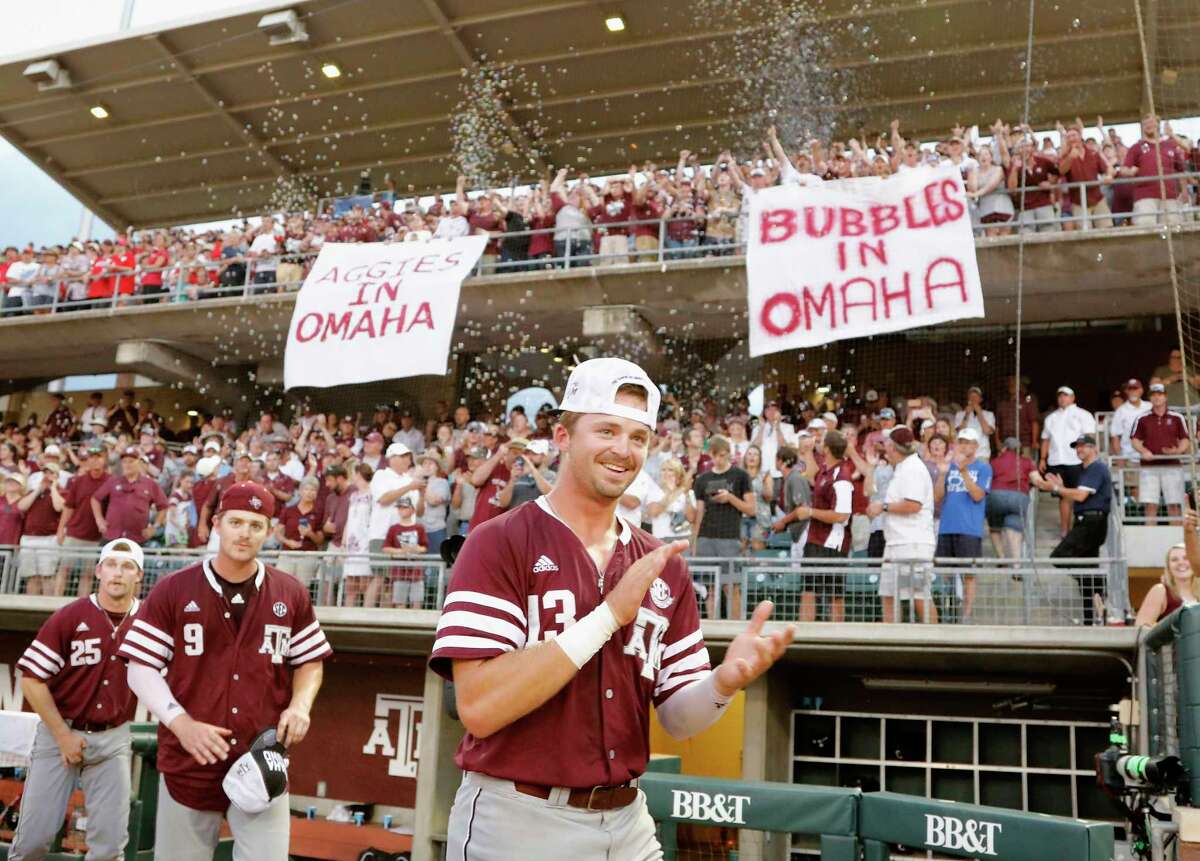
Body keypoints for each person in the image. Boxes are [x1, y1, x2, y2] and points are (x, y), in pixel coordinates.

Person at [429, 357, 793, 861]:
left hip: (627, 823)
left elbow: (678, 719)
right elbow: (480, 708)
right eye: (606, 430)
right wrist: (606, 617)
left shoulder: (662, 563)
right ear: (562, 436)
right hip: (519, 819)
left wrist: (723, 684)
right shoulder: (498, 541)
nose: (623, 450)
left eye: (638, 437)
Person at [119, 482, 331, 860]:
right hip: (191, 756)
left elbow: (309, 661)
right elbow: (140, 668)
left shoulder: (290, 591)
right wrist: (180, 723)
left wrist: (300, 706)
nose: (244, 532)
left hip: (262, 756)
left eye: (255, 524)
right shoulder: (174, 589)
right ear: (217, 523)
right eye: (235, 521)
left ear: (268, 531)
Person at [12, 539, 145, 861]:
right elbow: (32, 679)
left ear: (138, 576)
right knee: (33, 840)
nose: (118, 573)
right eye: (111, 564)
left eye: (127, 567)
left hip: (113, 736)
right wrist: (62, 735)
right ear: (99, 570)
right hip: (60, 733)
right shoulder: (70, 616)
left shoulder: (149, 621)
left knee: (110, 847)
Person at [1030, 434, 1113, 625]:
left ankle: (1099, 588)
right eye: (1077, 447)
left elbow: (1081, 495)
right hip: (1087, 520)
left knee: (1060, 557)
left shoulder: (1096, 468)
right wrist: (1058, 487)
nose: (1079, 449)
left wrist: (1057, 489)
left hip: (1092, 521)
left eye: (1084, 446)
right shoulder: (1086, 471)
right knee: (1087, 572)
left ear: (1094, 448)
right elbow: (1078, 494)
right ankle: (1090, 618)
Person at [867, 427, 936, 624]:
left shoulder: (913, 469)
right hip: (896, 543)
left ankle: (936, 641)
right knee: (888, 594)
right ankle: (891, 641)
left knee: (918, 595)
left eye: (887, 445)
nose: (885, 450)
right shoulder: (903, 467)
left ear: (894, 448)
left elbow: (913, 505)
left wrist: (883, 506)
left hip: (912, 543)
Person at [792, 430, 854, 623]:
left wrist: (810, 513)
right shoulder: (826, 471)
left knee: (834, 594)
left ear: (826, 448)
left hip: (832, 543)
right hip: (815, 539)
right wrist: (809, 452)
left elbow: (842, 515)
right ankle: (804, 634)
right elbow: (812, 476)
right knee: (809, 590)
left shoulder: (842, 477)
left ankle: (839, 638)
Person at [692, 435, 756, 620]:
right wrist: (695, 540)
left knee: (732, 587)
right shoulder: (702, 479)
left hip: (730, 537)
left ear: (728, 453)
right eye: (714, 455)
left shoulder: (741, 476)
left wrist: (730, 498)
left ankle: (735, 629)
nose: (718, 459)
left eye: (721, 455)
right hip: (706, 537)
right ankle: (713, 629)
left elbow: (751, 509)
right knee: (710, 588)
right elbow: (699, 512)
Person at [934, 428, 992, 623]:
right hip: (946, 526)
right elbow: (937, 497)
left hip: (969, 528)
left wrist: (964, 472)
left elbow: (977, 496)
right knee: (944, 574)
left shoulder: (984, 468)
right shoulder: (948, 467)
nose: (965, 445)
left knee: (969, 575)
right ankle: (946, 613)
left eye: (969, 442)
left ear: (976, 446)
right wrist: (942, 475)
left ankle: (966, 616)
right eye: (961, 441)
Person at [1131, 382, 1190, 525]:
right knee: (1150, 505)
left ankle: (1177, 539)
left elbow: (1185, 440)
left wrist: (1177, 451)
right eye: (1153, 395)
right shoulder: (1142, 418)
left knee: (1174, 505)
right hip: (1149, 467)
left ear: (1166, 397)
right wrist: (1144, 451)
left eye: (1160, 394)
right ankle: (1149, 540)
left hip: (1172, 466)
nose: (1157, 397)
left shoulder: (1177, 417)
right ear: (1150, 398)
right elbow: (1135, 440)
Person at [1040, 386, 1096, 537]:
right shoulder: (1050, 418)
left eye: (1066, 395)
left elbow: (1090, 437)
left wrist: (1090, 459)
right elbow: (1045, 440)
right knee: (1064, 496)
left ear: (1073, 398)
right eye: (1060, 396)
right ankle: (1065, 530)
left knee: (1080, 495)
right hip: (1057, 461)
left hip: (1077, 461)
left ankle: (1080, 528)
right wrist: (1042, 459)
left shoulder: (1083, 414)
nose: (1062, 398)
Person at [986, 437, 1035, 558]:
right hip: (1018, 496)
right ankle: (1016, 565)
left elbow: (986, 481)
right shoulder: (1026, 461)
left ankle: (1001, 558)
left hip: (996, 495)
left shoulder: (994, 462)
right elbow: (1036, 479)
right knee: (1014, 529)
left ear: (1004, 448)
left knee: (995, 528)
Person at [1134, 543, 1196, 626]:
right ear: (1168, 567)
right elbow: (1141, 626)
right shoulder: (1160, 591)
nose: (1181, 563)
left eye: (1186, 558)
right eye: (1174, 560)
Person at [383, 497, 428, 609]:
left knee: (417, 601)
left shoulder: (419, 528)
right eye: (400, 508)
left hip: (416, 572)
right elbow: (386, 548)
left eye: (405, 507)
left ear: (412, 510)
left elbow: (425, 547)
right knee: (399, 602)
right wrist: (401, 551)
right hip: (399, 572)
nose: (401, 510)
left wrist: (416, 548)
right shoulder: (393, 529)